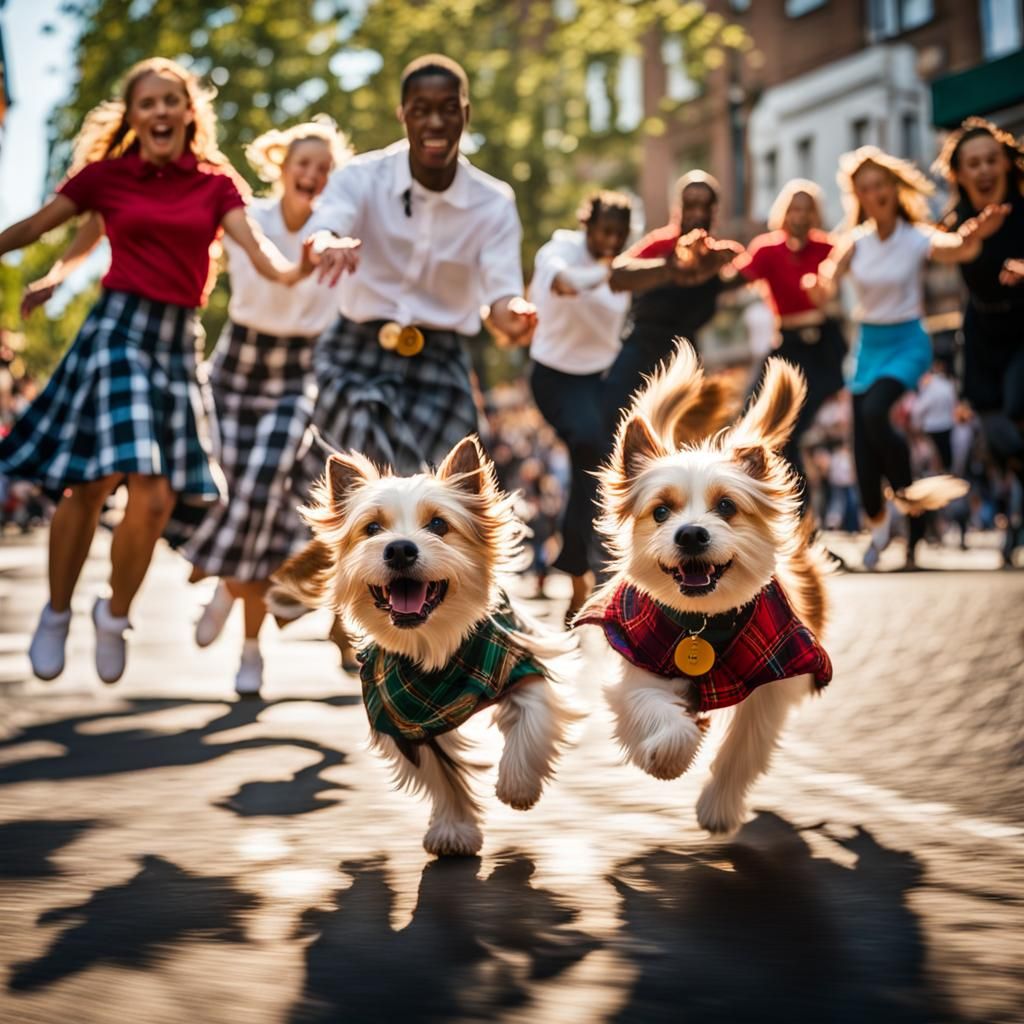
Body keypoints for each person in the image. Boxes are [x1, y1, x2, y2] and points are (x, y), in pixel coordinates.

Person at [0, 57, 314, 685]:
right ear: (133, 116)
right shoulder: (108, 177)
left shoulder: (215, 184)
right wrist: (56, 278)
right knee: (90, 484)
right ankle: (57, 613)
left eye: (172, 100)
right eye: (147, 102)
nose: (161, 112)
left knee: (158, 494)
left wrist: (302, 264)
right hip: (117, 330)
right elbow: (41, 227)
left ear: (189, 112)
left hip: (178, 341)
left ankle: (113, 615)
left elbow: (264, 258)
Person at [176, 119, 351, 696]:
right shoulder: (248, 216)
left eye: (324, 168)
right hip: (238, 361)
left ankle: (228, 593)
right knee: (236, 492)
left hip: (298, 366)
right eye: (303, 163)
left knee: (266, 474)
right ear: (281, 165)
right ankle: (249, 645)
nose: (313, 175)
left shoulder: (337, 224)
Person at [303, 54, 537, 479]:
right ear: (403, 115)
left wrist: (514, 317)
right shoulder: (362, 177)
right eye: (420, 110)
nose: (434, 123)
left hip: (440, 358)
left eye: (448, 109)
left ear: (465, 114)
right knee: (364, 484)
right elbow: (326, 225)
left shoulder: (493, 202)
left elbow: (501, 296)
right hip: (355, 353)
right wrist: (328, 242)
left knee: (452, 490)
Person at [804, 145, 1005, 570]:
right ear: (858, 196)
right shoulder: (854, 243)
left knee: (877, 412)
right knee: (862, 458)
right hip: (868, 346)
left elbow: (953, 249)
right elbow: (828, 281)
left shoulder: (916, 237)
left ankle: (907, 495)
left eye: (881, 185)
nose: (875, 193)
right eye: (866, 188)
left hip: (908, 342)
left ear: (894, 189)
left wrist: (973, 237)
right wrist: (817, 288)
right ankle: (888, 523)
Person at [528, 190, 632, 621]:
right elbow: (563, 284)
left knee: (599, 469)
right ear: (587, 225)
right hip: (554, 374)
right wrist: (612, 271)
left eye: (619, 235)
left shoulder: (627, 267)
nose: (611, 241)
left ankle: (580, 569)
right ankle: (577, 568)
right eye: (604, 231)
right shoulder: (560, 250)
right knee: (588, 441)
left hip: (600, 379)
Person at [933, 117, 1024, 566]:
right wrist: (970, 238)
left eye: (992, 160)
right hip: (982, 330)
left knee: (1016, 404)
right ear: (959, 174)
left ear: (1007, 162)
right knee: (997, 432)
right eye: (974, 164)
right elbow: (936, 250)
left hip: (1023, 325)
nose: (985, 170)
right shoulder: (955, 223)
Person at [602, 171, 742, 435]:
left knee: (688, 430)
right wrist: (670, 267)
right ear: (679, 208)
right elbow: (618, 273)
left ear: (714, 210)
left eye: (704, 205)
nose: (697, 212)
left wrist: (717, 267)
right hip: (641, 347)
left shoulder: (719, 255)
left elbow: (744, 274)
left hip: (684, 354)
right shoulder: (662, 243)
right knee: (613, 414)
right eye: (690, 204)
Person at [734, 179, 846, 500]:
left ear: (815, 215)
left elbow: (838, 287)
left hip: (823, 345)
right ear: (783, 212)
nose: (799, 215)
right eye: (794, 208)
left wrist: (824, 291)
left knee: (790, 431)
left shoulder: (828, 248)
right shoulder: (767, 250)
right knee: (758, 421)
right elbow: (735, 278)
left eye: (807, 209)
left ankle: (802, 509)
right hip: (786, 345)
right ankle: (795, 506)